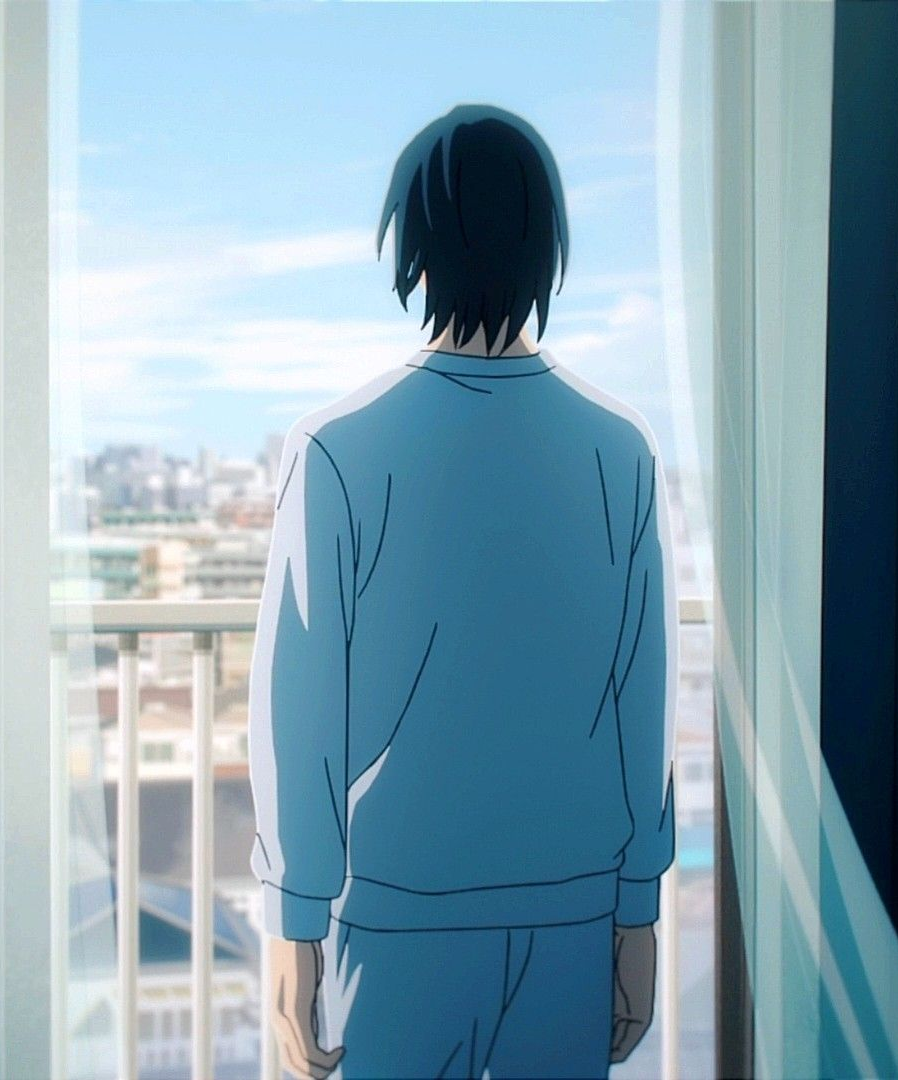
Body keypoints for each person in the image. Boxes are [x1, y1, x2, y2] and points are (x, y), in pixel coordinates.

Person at [248, 103, 677, 1080]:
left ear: (416, 246)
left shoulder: (338, 450)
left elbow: (298, 716)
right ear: (546, 245)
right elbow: (642, 701)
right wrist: (638, 912)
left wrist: (294, 926)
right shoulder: (620, 449)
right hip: (572, 912)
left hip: (396, 912)